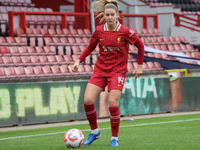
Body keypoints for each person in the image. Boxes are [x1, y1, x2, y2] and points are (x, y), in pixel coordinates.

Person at [72, 0, 144, 147]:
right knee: (87, 100)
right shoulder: (99, 30)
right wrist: (79, 60)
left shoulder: (125, 31)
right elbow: (90, 47)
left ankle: (114, 138)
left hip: (117, 71)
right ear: (103, 16)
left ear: (117, 15)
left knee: (112, 103)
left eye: (112, 14)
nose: (110, 17)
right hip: (100, 70)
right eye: (107, 15)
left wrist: (139, 66)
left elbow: (140, 45)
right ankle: (94, 132)